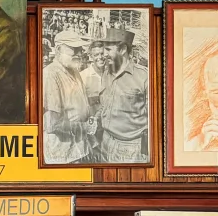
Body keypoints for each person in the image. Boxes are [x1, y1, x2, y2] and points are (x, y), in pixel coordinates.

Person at [97, 27, 149, 163]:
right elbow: (105, 105)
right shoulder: (106, 73)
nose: (104, 54)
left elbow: (155, 118)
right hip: (105, 141)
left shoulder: (144, 77)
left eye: (108, 49)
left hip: (130, 148)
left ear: (123, 49)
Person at [42, 29, 92, 164]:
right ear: (58, 49)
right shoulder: (50, 74)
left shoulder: (74, 71)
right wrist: (85, 127)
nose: (79, 53)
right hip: (63, 154)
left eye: (80, 49)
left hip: (79, 149)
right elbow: (53, 124)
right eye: (74, 49)